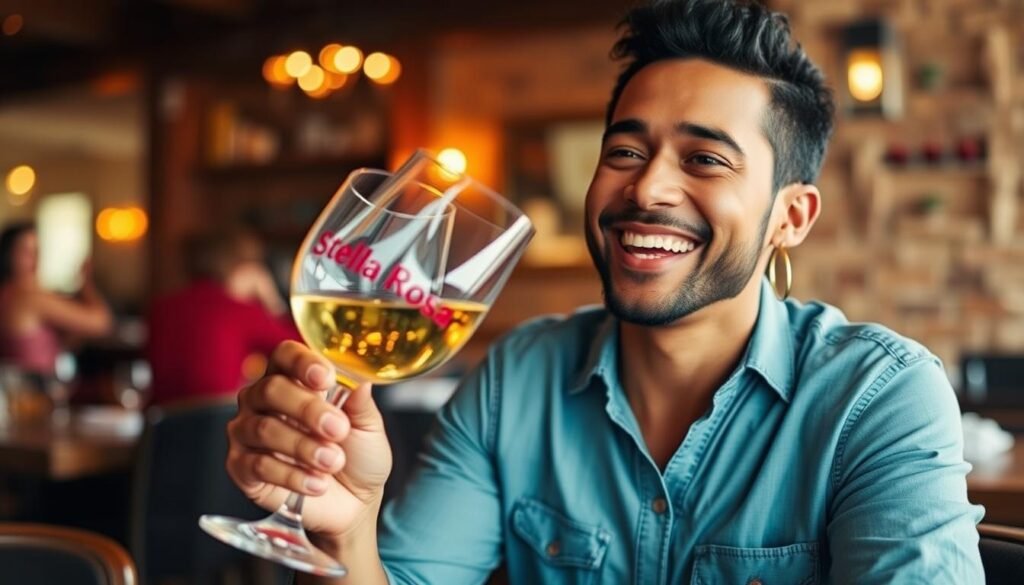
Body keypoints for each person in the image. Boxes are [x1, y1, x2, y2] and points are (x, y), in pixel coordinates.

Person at [224, 1, 985, 582]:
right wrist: (349, 528)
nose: (647, 185)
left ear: (791, 216)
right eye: (625, 149)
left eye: (705, 160)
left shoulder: (876, 396)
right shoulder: (516, 379)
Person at [146, 229, 299, 406]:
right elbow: (299, 348)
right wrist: (272, 300)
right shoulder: (239, 311)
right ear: (244, 268)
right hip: (214, 424)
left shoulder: (161, 307)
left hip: (157, 425)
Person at [0, 222, 113, 377]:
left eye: (37, 251)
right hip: (36, 393)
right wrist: (87, 283)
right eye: (27, 251)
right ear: (9, 255)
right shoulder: (30, 298)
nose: (36, 259)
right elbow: (102, 323)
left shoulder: (7, 293)